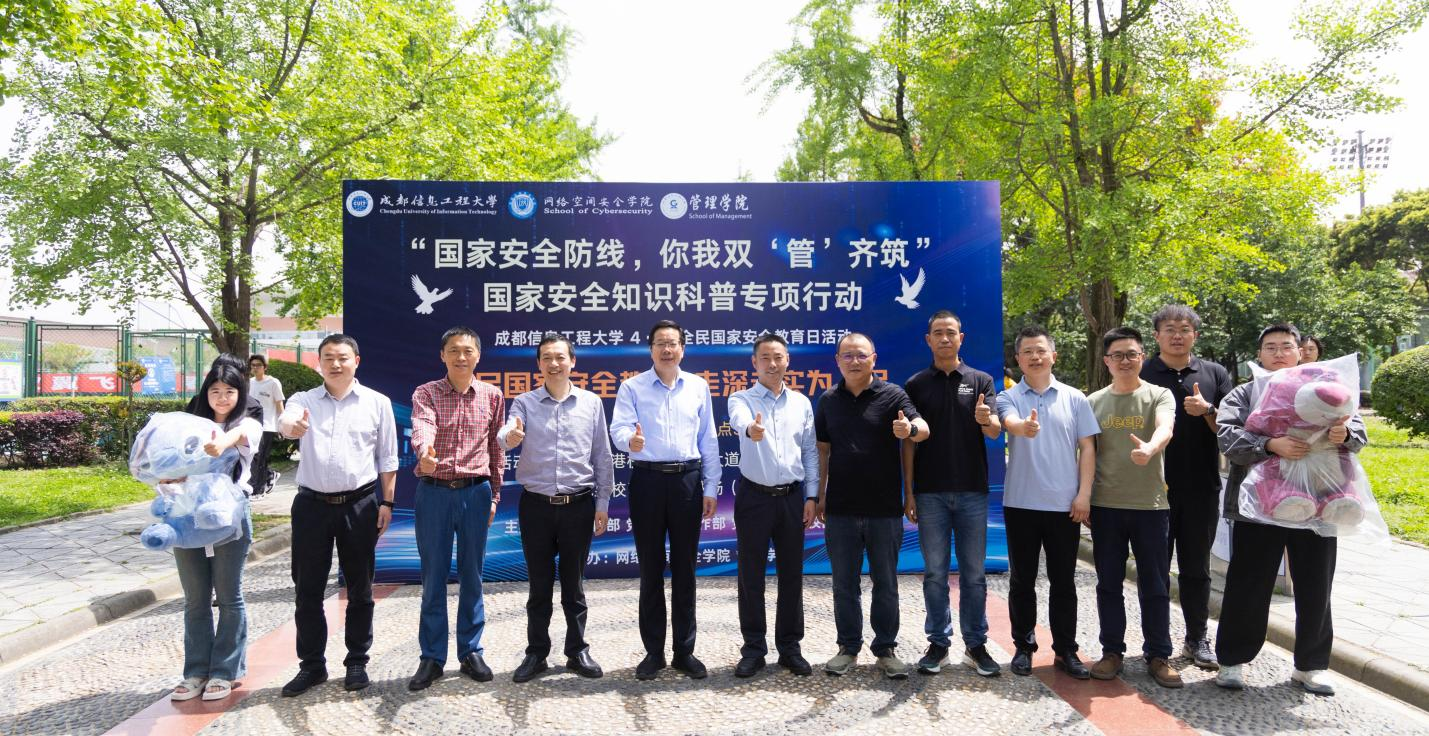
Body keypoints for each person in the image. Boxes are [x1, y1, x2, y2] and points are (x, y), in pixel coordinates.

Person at [1214, 324, 1365, 695]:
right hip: (1257, 508)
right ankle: (1232, 661)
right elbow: (1227, 436)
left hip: (1319, 507)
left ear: (1301, 352)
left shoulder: (1327, 387)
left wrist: (1345, 434)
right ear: (1259, 354)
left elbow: (1358, 433)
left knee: (1316, 585)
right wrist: (1269, 445)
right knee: (1248, 584)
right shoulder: (1245, 392)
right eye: (1270, 347)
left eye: (1286, 346)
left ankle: (1311, 666)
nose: (1279, 353)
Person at [277, 334, 398, 696]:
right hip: (311, 506)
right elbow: (286, 421)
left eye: (342, 357)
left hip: (360, 505)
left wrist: (387, 503)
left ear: (356, 361)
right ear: (319, 363)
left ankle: (357, 661)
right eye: (328, 357)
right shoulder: (303, 400)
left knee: (360, 588)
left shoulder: (377, 402)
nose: (335, 364)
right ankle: (312, 666)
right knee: (307, 589)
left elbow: (388, 457)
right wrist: (292, 426)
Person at [497, 333, 613, 682]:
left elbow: (602, 455)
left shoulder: (591, 403)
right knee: (539, 585)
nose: (554, 363)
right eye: (547, 357)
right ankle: (536, 653)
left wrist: (603, 503)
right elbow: (505, 436)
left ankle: (577, 651)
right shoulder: (524, 403)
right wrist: (510, 438)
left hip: (578, 505)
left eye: (560, 357)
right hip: (536, 507)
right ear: (539, 364)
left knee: (574, 586)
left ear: (572, 361)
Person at [610, 319, 721, 680]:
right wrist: (630, 441)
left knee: (686, 568)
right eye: (660, 343)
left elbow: (708, 440)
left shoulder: (698, 387)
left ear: (682, 349)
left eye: (673, 343)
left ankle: (684, 651)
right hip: (647, 481)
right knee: (651, 567)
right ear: (651, 349)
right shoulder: (632, 387)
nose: (667, 349)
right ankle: (654, 652)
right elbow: (618, 428)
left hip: (687, 480)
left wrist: (710, 487)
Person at [816, 332, 929, 679]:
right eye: (847, 356)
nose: (854, 361)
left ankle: (886, 649)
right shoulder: (828, 400)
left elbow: (922, 429)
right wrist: (820, 495)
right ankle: (848, 647)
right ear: (837, 361)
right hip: (840, 509)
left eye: (860, 355)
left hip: (884, 508)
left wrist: (909, 429)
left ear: (873, 359)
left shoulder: (893, 395)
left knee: (886, 583)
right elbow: (823, 450)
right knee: (843, 584)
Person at [902, 311, 1002, 677]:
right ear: (928, 340)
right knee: (934, 573)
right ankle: (938, 643)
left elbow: (994, 431)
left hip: (973, 492)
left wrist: (986, 419)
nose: (945, 338)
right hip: (929, 494)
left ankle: (976, 644)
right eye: (938, 333)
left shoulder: (981, 381)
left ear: (962, 337)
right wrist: (909, 492)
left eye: (951, 333)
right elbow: (909, 442)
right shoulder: (915, 384)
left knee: (974, 574)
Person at [996, 326, 1099, 679]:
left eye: (1041, 350)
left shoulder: (1075, 398)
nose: (1035, 357)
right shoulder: (1008, 396)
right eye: (1027, 352)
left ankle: (1066, 650)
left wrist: (1084, 494)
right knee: (1022, 581)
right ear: (1018, 359)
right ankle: (1024, 647)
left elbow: (1087, 447)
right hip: (1021, 503)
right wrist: (1022, 428)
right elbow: (1009, 422)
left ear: (1053, 356)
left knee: (1064, 582)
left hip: (1064, 505)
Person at [406, 326, 505, 691]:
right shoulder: (427, 392)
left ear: (478, 355)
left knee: (472, 575)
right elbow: (422, 427)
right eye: (453, 350)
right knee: (433, 576)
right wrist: (425, 453)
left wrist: (495, 496)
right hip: (434, 492)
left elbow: (496, 451)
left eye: (467, 350)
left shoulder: (492, 396)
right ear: (442, 355)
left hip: (475, 493)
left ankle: (471, 651)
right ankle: (432, 657)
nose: (461, 357)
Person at [1087, 326, 1182, 688]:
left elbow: (1166, 427)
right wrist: (1083, 497)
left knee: (1155, 583)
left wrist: (1151, 448)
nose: (1125, 361)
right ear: (1106, 361)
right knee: (1108, 583)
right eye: (1117, 355)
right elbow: (1086, 452)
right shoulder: (1093, 402)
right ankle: (1112, 651)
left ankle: (1158, 654)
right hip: (1105, 505)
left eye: (1131, 354)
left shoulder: (1159, 394)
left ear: (1142, 357)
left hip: (1150, 505)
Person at [1140, 305, 1233, 670]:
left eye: (1184, 329)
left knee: (1196, 569)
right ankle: (1156, 643)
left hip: (1201, 487)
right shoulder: (1142, 373)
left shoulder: (1214, 373)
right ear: (1157, 336)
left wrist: (1207, 410)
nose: (1177, 335)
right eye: (1169, 329)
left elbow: (1231, 431)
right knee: (1155, 569)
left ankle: (1197, 638)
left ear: (1195, 334)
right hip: (1151, 490)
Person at [168, 358, 263, 702]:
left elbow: (240, 434)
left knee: (228, 595)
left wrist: (221, 443)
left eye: (229, 391)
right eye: (215, 391)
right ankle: (196, 671)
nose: (222, 398)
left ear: (240, 394)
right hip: (187, 517)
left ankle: (225, 671)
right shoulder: (189, 428)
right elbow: (173, 463)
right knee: (195, 598)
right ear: (205, 393)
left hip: (229, 518)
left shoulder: (247, 424)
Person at [726, 333, 819, 678]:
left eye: (778, 357)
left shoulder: (801, 403)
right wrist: (751, 429)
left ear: (787, 361)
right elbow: (739, 420)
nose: (772, 363)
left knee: (791, 574)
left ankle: (790, 647)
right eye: (765, 357)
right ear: (754, 362)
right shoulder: (741, 398)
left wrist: (812, 496)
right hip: (754, 498)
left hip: (792, 498)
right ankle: (753, 649)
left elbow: (810, 452)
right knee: (750, 575)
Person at [247, 354, 285, 495]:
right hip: (251, 425)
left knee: (261, 457)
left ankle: (258, 489)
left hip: (268, 426)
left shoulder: (273, 383)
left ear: (265, 367)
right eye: (253, 365)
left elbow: (279, 404)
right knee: (252, 457)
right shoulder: (249, 383)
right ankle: (269, 475)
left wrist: (282, 424)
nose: (255, 368)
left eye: (258, 365)